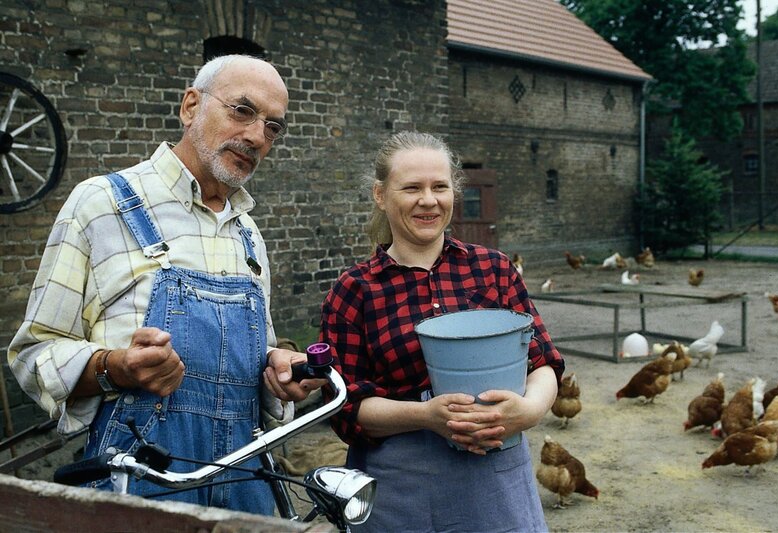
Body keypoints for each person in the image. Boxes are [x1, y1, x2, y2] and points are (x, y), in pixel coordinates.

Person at [8, 54, 324, 515]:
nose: (257, 136)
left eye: (273, 127)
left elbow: (258, 355)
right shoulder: (101, 205)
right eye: (242, 110)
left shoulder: (247, 233)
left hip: (245, 478)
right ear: (191, 106)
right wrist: (114, 367)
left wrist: (277, 369)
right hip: (138, 479)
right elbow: (33, 353)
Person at [319, 131, 565, 532]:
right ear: (381, 195)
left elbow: (544, 361)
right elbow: (345, 406)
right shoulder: (354, 291)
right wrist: (426, 415)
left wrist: (529, 410)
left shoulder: (494, 269)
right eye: (412, 188)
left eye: (440, 187)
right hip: (400, 488)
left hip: (497, 476)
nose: (428, 200)